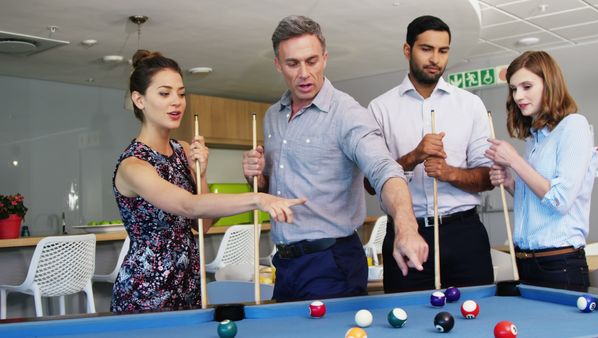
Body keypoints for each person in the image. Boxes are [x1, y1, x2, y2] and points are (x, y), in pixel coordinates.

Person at [242, 15, 428, 302]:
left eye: (312, 61)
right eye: (292, 63)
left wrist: (406, 227)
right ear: (278, 65)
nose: (304, 73)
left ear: (325, 58)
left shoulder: (348, 114)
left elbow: (384, 170)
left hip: (332, 262)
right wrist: (256, 178)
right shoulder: (272, 117)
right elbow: (272, 192)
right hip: (285, 264)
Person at [111, 50, 305, 313]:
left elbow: (202, 223)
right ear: (139, 99)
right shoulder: (133, 165)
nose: (177, 102)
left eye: (181, 93)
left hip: (189, 283)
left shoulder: (182, 149)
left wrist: (199, 173)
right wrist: (259, 198)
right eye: (164, 93)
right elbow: (189, 205)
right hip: (146, 291)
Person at [367, 15, 495, 293]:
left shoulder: (470, 105)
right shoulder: (380, 109)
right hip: (407, 232)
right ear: (407, 50)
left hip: (464, 232)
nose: (435, 58)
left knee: (477, 318)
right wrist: (414, 156)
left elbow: (488, 178)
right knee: (407, 320)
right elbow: (369, 183)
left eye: (443, 50)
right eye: (426, 49)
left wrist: (449, 173)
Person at [485, 50, 598, 290]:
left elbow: (560, 200)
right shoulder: (535, 139)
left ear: (550, 84)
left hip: (560, 264)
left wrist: (515, 162)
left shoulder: (573, 126)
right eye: (514, 89)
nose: (518, 96)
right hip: (526, 262)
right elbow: (538, 202)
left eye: (527, 86)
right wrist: (510, 184)